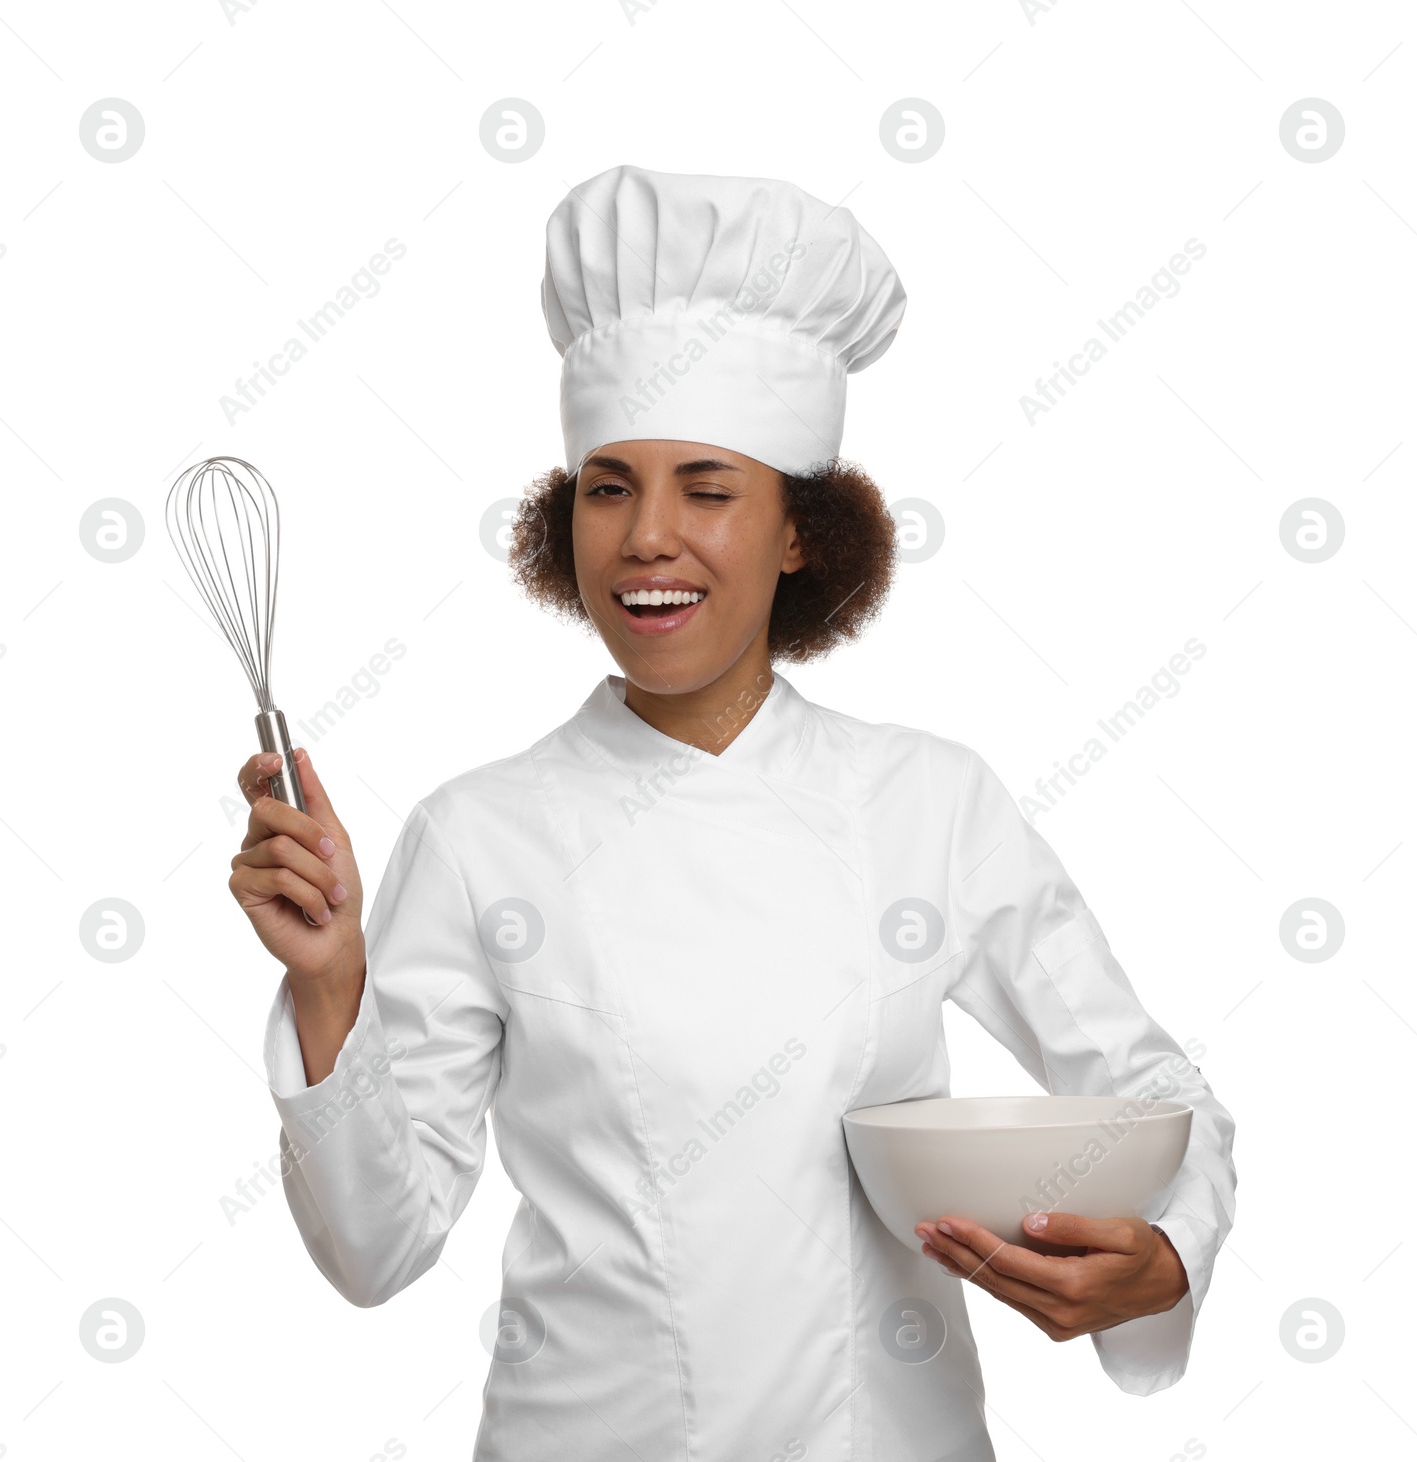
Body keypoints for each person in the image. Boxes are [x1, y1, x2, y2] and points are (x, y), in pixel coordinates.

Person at [227, 164, 1237, 1462]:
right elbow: (377, 1248)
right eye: (607, 486)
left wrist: (1167, 1259)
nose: (648, 535)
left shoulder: (928, 800)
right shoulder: (481, 832)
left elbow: (1149, 1087)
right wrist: (331, 980)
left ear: (800, 532)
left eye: (707, 487)